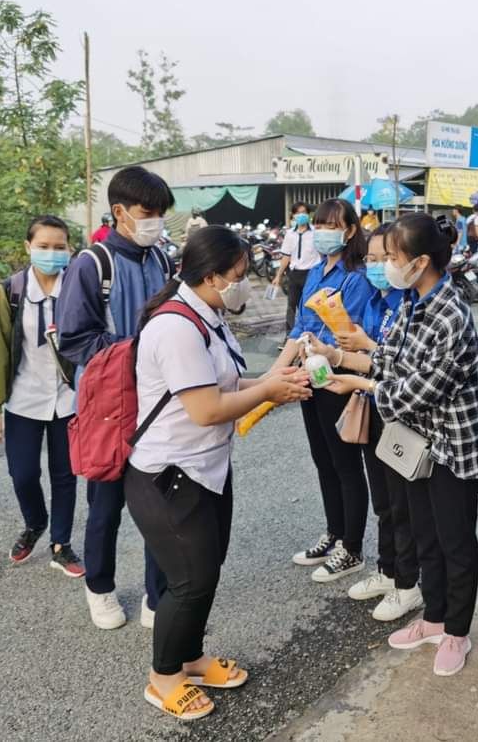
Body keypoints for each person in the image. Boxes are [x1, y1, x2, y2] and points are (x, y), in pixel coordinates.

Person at [126, 225, 311, 721]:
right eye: (239, 274)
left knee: (206, 571)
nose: (244, 282)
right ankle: (164, 677)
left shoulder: (207, 315)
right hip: (169, 475)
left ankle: (191, 658)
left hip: (204, 469)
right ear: (211, 276)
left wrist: (271, 381)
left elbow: (223, 384)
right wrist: (269, 391)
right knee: (189, 580)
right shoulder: (175, 327)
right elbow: (207, 409)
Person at [325, 213, 478, 678]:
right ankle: (433, 617)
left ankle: (457, 631)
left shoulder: (452, 312)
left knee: (455, 541)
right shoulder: (411, 302)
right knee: (425, 534)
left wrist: (362, 383)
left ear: (420, 261)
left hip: (452, 447)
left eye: (393, 257)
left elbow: (421, 390)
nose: (387, 266)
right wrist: (342, 358)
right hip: (415, 444)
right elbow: (389, 358)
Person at [57, 165, 175, 631]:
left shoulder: (161, 260)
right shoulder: (92, 264)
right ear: (120, 212)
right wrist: (137, 351)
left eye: (161, 213)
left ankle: (156, 594)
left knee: (159, 506)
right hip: (108, 407)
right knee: (105, 507)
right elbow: (74, 338)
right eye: (147, 213)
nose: (155, 222)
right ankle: (99, 587)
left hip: (156, 404)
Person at [304, 224, 423, 622]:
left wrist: (362, 349)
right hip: (373, 406)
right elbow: (369, 359)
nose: (377, 266)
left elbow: (395, 362)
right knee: (384, 499)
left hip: (398, 411)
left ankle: (408, 582)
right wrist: (334, 354)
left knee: (403, 503)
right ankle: (388, 571)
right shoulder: (375, 299)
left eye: (386, 259)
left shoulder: (409, 304)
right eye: (371, 259)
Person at [272, 199, 372, 581]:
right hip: (309, 374)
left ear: (349, 230)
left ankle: (352, 547)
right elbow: (300, 327)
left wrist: (322, 351)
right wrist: (274, 376)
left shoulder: (356, 278)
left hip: (338, 374)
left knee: (345, 462)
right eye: (319, 224)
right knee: (323, 459)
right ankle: (335, 533)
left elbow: (350, 333)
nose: (323, 231)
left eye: (332, 225)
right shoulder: (315, 271)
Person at [0, 215, 83, 577]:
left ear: (69, 249)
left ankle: (61, 544)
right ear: (28, 247)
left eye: (59, 247)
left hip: (68, 399)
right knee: (22, 473)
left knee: (65, 474)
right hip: (24, 398)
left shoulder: (78, 288)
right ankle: (35, 521)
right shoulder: (11, 291)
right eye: (43, 246)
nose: (51, 253)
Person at [271, 202, 320, 332]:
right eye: (298, 213)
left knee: (310, 305)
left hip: (311, 274)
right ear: (293, 215)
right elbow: (286, 256)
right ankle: (290, 334)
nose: (301, 215)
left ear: (308, 214)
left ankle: (311, 333)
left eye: (303, 212)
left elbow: (322, 253)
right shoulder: (289, 234)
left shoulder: (316, 232)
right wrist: (278, 276)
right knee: (291, 305)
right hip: (294, 274)